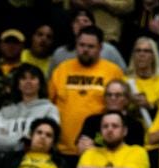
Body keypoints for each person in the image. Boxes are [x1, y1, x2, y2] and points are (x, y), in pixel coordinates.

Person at [48, 26, 125, 156]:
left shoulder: (113, 71)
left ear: (100, 48)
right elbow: (49, 105)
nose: (85, 50)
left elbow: (119, 109)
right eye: (82, 45)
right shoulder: (62, 69)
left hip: (97, 147)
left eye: (91, 46)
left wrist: (99, 142)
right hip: (62, 148)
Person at [0, 63, 60, 155]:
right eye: (23, 78)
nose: (28, 82)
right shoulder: (5, 111)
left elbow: (47, 140)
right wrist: (23, 141)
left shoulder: (50, 110)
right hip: (6, 163)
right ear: (18, 84)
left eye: (33, 78)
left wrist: (9, 137)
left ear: (40, 84)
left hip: (36, 161)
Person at [126, 37, 159, 124]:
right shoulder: (125, 82)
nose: (141, 54)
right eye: (138, 51)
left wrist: (150, 107)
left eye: (146, 51)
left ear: (153, 56)